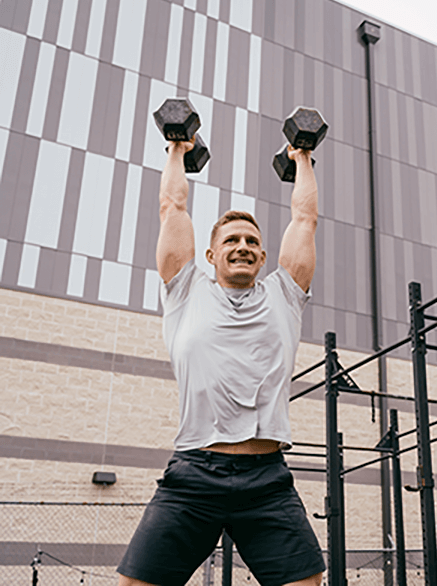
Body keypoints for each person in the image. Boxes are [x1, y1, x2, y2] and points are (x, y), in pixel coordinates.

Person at [116, 136, 325, 586]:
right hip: (193, 473)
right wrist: (177, 149)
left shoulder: (283, 295)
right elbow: (172, 208)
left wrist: (302, 158)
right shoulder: (185, 290)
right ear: (210, 256)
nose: (244, 246)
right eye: (231, 239)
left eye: (252, 241)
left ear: (265, 257)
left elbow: (304, 219)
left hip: (266, 480)